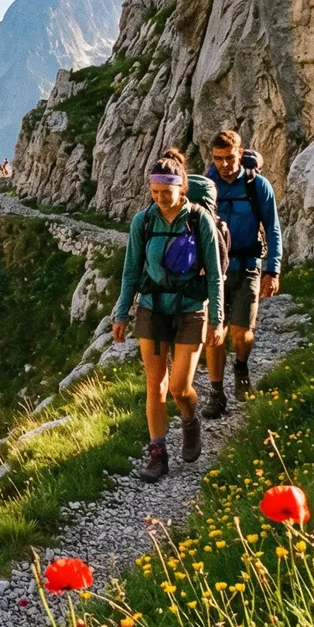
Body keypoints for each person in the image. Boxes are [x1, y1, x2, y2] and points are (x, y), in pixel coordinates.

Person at [110, 149, 225, 483]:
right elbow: (131, 271)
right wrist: (121, 313)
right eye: (154, 192)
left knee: (179, 387)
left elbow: (215, 274)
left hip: (190, 308)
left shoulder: (198, 219)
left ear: (182, 188)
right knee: (155, 384)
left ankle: (190, 419)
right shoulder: (143, 221)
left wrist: (216, 317)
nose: (159, 198)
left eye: (166, 192)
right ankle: (158, 453)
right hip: (152, 307)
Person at [202, 129, 283, 417]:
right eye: (218, 159)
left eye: (229, 158)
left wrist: (272, 269)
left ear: (240, 153)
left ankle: (240, 365)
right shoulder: (206, 187)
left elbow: (272, 228)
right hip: (214, 270)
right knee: (215, 332)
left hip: (248, 265)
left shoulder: (257, 186)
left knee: (242, 332)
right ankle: (216, 392)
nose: (224, 164)